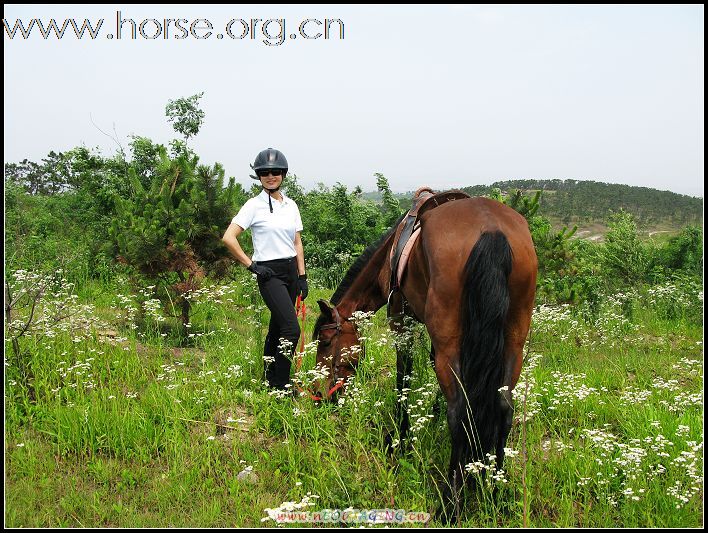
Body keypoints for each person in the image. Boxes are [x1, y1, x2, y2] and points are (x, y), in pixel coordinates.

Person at [222, 148, 308, 391]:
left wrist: (302, 277)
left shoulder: (291, 205)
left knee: (278, 326)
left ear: (283, 174)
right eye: (265, 173)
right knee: (291, 329)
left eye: (276, 172)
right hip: (269, 274)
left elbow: (297, 242)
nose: (271, 176)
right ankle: (281, 385)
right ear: (259, 176)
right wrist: (252, 265)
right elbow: (229, 237)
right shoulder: (253, 205)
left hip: (291, 271)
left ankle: (270, 375)